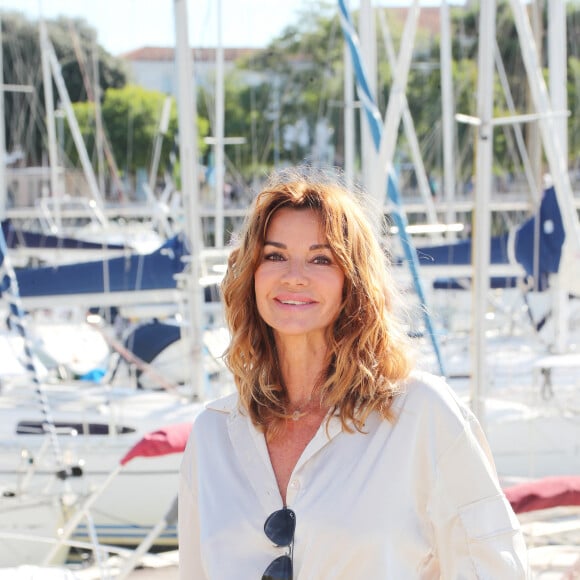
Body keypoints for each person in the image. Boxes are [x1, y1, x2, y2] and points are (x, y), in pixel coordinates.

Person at [179, 167, 528, 579]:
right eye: (274, 256)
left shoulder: (420, 415)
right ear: (251, 275)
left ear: (353, 281)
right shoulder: (212, 436)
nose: (294, 275)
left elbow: (495, 568)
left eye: (320, 258)